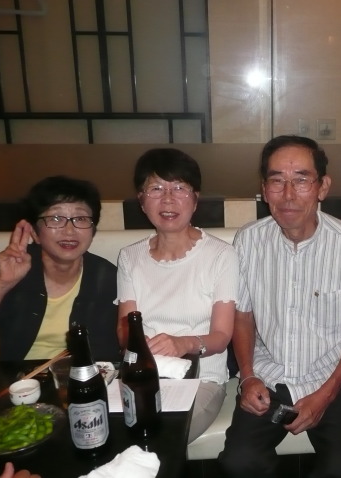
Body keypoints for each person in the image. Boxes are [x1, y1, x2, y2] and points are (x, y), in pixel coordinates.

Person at [218, 135, 341, 478]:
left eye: (301, 180)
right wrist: (248, 377)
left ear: (322, 187)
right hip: (270, 376)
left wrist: (326, 395)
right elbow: (243, 315)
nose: (288, 194)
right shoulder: (249, 240)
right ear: (264, 189)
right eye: (277, 181)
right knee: (239, 462)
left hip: (335, 379)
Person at [116, 148, 238, 443]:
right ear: (141, 201)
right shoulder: (130, 257)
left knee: (160, 439)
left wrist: (183, 343)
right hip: (142, 376)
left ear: (195, 199)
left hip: (202, 379)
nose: (168, 199)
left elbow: (221, 336)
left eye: (180, 188)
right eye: (156, 188)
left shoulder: (221, 255)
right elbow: (124, 329)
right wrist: (139, 348)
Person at [0, 176, 119, 361]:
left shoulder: (107, 277)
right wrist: (2, 283)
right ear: (34, 232)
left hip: (79, 375)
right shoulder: (11, 266)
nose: (69, 230)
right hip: (13, 375)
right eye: (55, 218)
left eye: (80, 218)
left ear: (93, 230)